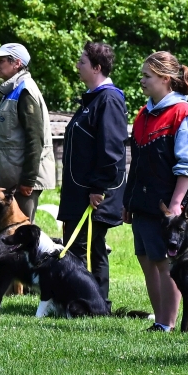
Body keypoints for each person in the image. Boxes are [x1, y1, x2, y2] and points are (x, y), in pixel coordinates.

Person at [128, 52, 188, 332]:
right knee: (147, 259)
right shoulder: (145, 113)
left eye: (147, 76)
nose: (142, 81)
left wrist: (176, 204)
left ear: (166, 79)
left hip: (168, 204)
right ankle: (159, 320)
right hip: (143, 200)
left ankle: (167, 324)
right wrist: (128, 200)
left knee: (165, 262)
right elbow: (137, 160)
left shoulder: (181, 113)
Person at [60, 41, 128, 305]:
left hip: (93, 193)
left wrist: (99, 187)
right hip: (80, 190)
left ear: (97, 67)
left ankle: (93, 304)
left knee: (87, 247)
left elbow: (111, 149)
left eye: (82, 62)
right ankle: (88, 301)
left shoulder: (109, 99)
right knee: (83, 247)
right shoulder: (92, 99)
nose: (77, 66)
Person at [0, 42, 56, 220]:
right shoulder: (12, 90)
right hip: (12, 180)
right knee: (7, 237)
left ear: (17, 63)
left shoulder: (25, 91)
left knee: (19, 237)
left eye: (1, 61)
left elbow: (35, 138)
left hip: (21, 182)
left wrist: (28, 180)